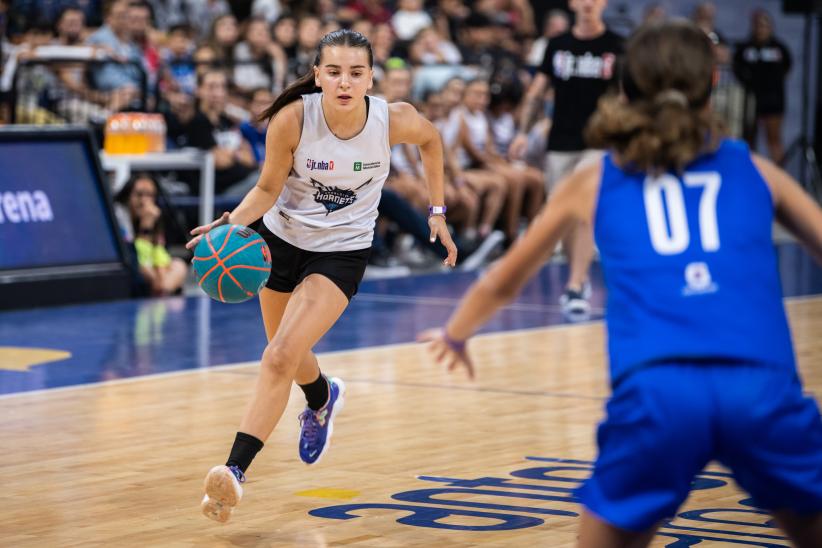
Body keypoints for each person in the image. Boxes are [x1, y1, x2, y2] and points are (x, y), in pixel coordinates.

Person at [420, 21, 822, 548]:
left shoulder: (595, 177)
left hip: (657, 393)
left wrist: (456, 334)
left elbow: (504, 279)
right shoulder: (754, 168)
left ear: (624, 89)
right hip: (761, 386)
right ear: (712, 85)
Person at [185, 29, 457, 523]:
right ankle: (322, 396)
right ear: (318, 75)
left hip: (340, 253)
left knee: (279, 356)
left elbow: (432, 142)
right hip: (279, 242)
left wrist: (437, 210)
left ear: (371, 78)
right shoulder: (293, 119)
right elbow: (267, 189)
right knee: (288, 354)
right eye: (333, 71)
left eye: (356, 72)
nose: (345, 81)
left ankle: (233, 472)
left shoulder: (391, 119)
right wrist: (228, 224)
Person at [508, 0, 623, 317]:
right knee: (566, 213)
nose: (588, 3)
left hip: (598, 142)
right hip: (560, 141)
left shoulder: (615, 45)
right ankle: (579, 277)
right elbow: (536, 91)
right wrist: (522, 132)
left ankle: (575, 284)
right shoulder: (557, 46)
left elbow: (625, 97)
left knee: (583, 208)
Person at [114, 173, 189, 296]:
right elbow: (136, 259)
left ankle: (163, 290)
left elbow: (160, 255)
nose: (145, 201)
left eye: (150, 195)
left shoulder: (156, 216)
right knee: (145, 269)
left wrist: (161, 274)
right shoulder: (119, 218)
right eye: (139, 195)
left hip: (154, 271)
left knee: (178, 265)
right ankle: (163, 291)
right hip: (132, 269)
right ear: (127, 196)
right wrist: (146, 228)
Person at [733, 8, 792, 164]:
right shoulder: (746, 48)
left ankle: (779, 173)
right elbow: (737, 68)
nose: (761, 29)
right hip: (752, 100)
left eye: (764, 25)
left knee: (773, 139)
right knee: (749, 139)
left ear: (771, 27)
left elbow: (787, 66)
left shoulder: (779, 48)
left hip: (774, 100)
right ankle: (749, 170)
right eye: (758, 25)